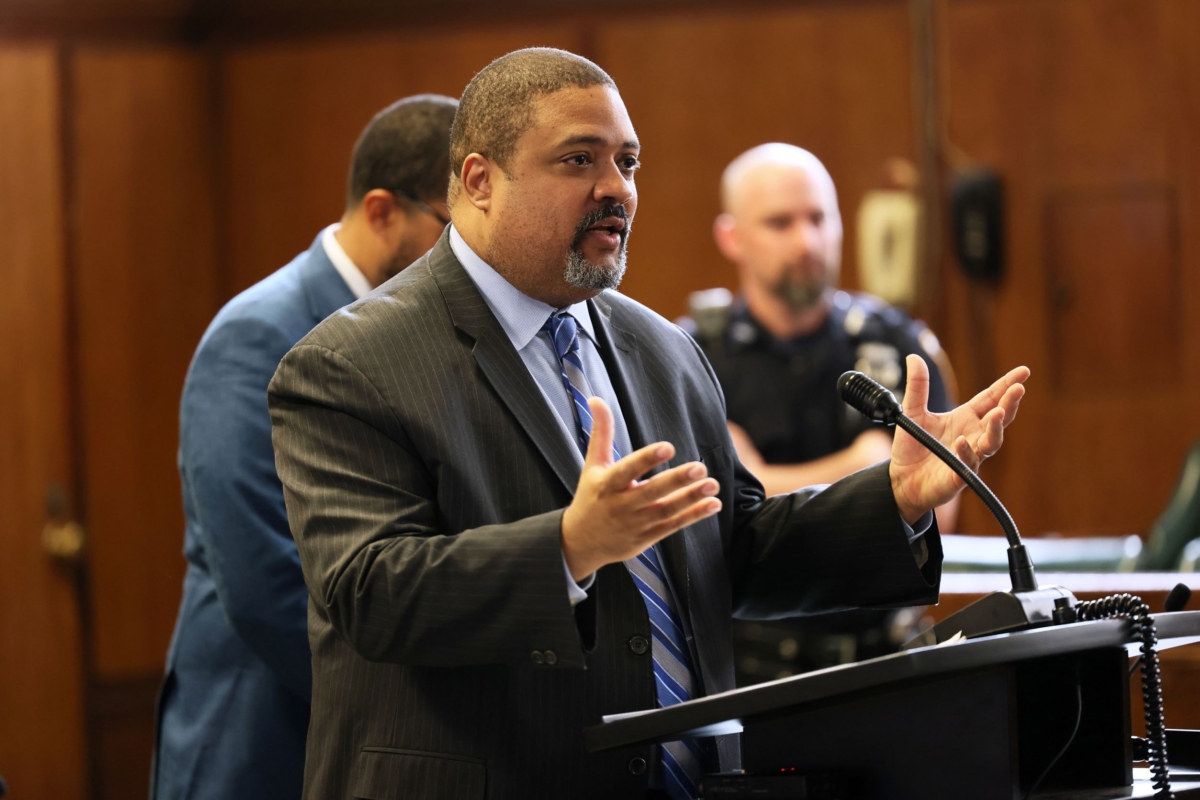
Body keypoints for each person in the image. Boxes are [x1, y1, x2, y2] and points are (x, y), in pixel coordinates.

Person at [268, 49, 1027, 800]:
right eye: (578, 160)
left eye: (628, 163)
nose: (616, 190)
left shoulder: (660, 347)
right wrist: (570, 547)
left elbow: (729, 548)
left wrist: (893, 497)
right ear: (479, 182)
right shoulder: (348, 362)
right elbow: (369, 592)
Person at [151, 94, 458, 800]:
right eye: (451, 229)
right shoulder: (259, 333)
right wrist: (416, 713)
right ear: (382, 211)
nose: (467, 259)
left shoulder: (426, 329)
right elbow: (264, 581)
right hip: (267, 735)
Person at [685, 144, 957, 682]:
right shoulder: (691, 357)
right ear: (731, 237)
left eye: (818, 218)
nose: (806, 240)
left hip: (885, 659)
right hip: (749, 671)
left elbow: (936, 509)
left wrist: (762, 480)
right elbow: (711, 522)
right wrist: (869, 468)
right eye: (780, 223)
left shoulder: (897, 343)